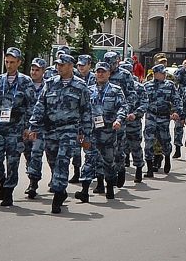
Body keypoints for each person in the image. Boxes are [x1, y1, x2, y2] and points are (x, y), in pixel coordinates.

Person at [27, 53, 92, 214]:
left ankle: (57, 196)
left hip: (69, 130)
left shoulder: (80, 86)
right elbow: (40, 106)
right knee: (53, 161)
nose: (59, 67)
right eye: (57, 64)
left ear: (71, 66)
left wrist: (86, 134)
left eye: (62, 65)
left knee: (63, 161)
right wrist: (34, 126)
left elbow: (86, 111)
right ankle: (60, 189)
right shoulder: (50, 84)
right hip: (50, 130)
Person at [0, 47, 37, 207]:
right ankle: (2, 179)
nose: (9, 65)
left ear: (19, 63)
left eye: (12, 62)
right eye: (7, 62)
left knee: (12, 161)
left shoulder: (26, 81)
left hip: (17, 126)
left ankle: (8, 192)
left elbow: (31, 106)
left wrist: (28, 127)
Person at [75, 62, 127, 202]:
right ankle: (84, 191)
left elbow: (123, 107)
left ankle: (109, 188)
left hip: (108, 132)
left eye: (103, 72)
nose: (100, 74)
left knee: (108, 161)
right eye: (98, 72)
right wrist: (81, 131)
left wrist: (119, 120)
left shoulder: (116, 90)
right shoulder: (88, 90)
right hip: (91, 132)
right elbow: (83, 112)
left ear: (109, 74)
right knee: (89, 160)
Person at [143, 63, 181, 176]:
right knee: (148, 141)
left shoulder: (170, 85)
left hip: (164, 117)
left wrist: (176, 111)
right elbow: (141, 100)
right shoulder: (147, 86)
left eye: (165, 73)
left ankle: (167, 158)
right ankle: (150, 168)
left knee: (165, 140)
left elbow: (177, 100)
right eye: (162, 73)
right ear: (155, 74)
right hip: (151, 116)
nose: (165, 75)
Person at [104, 51, 135, 187]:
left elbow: (131, 95)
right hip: (102, 117)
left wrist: (124, 111)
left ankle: (120, 168)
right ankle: (103, 178)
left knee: (118, 147)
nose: (110, 66)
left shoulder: (125, 75)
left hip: (118, 117)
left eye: (112, 64)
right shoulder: (100, 73)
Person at [23, 57, 49, 198]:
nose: (34, 72)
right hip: (27, 126)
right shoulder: (25, 85)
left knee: (36, 154)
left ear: (43, 71)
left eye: (37, 70)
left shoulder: (49, 86)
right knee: (28, 154)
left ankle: (33, 183)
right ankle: (32, 178)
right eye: (32, 69)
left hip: (42, 128)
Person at [120, 58, 149, 184]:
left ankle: (138, 168)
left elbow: (144, 103)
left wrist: (135, 114)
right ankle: (119, 172)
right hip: (119, 122)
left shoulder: (138, 87)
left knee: (135, 146)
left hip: (133, 123)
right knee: (119, 148)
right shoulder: (116, 88)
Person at [68, 54, 96, 183]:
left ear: (89, 65)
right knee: (75, 148)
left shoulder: (95, 78)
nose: (81, 67)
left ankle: (91, 171)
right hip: (75, 118)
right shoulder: (73, 79)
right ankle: (76, 171)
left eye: (83, 65)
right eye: (79, 65)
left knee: (89, 147)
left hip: (91, 117)